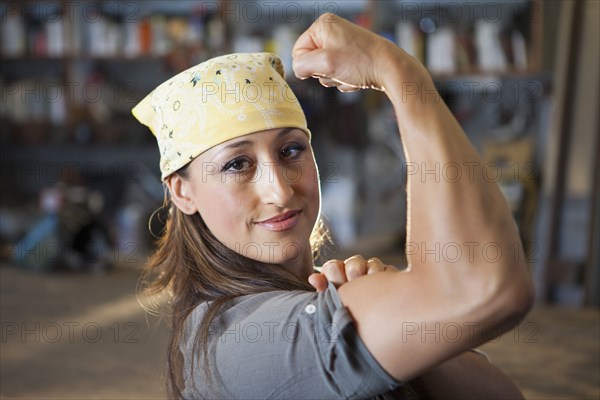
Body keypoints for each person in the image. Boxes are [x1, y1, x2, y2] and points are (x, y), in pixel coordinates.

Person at [133, 13, 534, 399]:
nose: (281, 191)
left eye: (291, 150)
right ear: (182, 192)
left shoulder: (321, 296)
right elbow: (487, 289)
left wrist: (407, 332)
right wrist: (399, 72)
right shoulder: (241, 340)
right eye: (238, 165)